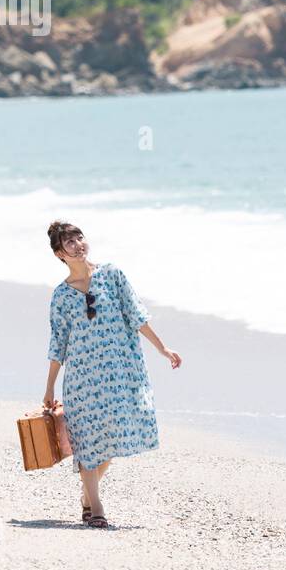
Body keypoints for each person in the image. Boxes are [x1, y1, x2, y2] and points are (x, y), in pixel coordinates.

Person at [44, 220, 181, 529]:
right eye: (69, 242)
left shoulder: (112, 275)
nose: (78, 244)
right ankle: (97, 506)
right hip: (82, 378)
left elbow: (137, 315)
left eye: (79, 237)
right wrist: (49, 387)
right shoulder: (61, 296)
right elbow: (58, 343)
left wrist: (163, 349)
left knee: (113, 436)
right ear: (59, 254)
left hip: (119, 374)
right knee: (88, 440)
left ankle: (86, 495)